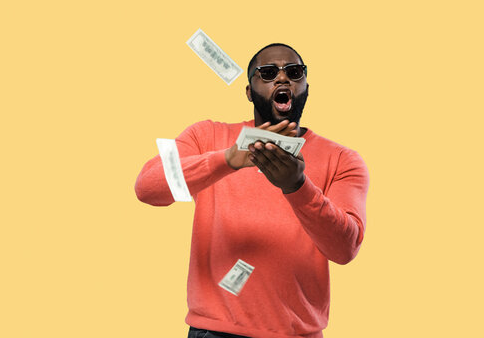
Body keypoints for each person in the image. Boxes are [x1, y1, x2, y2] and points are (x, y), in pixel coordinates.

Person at [135, 43, 369, 338]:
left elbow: (345, 249)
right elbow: (147, 187)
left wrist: (297, 187)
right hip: (215, 332)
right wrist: (227, 160)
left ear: (306, 85)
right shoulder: (207, 135)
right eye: (268, 73)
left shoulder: (342, 159)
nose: (282, 79)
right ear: (249, 91)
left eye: (294, 72)